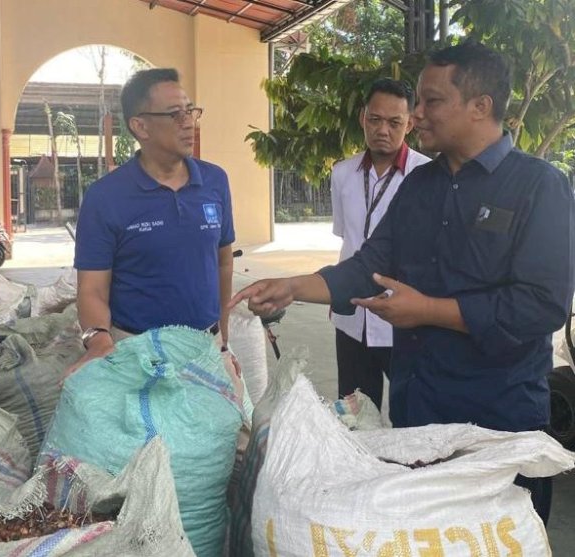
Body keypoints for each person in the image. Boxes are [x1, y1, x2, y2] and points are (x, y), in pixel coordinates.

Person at [231, 41, 575, 524]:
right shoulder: (420, 186)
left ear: (481, 107)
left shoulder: (540, 187)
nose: (416, 114)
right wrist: (294, 286)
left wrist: (428, 311)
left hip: (498, 420)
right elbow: (370, 263)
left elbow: (543, 305)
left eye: (431, 101)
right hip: (419, 412)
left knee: (500, 539)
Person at [69, 68, 238, 379]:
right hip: (136, 354)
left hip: (204, 347)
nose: (188, 122)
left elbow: (223, 263)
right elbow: (92, 288)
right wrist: (99, 342)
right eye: (174, 114)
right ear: (140, 126)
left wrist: (223, 340)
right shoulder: (106, 197)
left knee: (230, 428)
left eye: (190, 111)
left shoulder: (215, 181)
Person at [330, 78, 430, 409]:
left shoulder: (427, 176)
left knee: (412, 417)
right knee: (355, 415)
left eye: (394, 122)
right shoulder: (342, 174)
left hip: (403, 322)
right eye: (375, 119)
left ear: (410, 124)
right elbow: (348, 238)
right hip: (352, 315)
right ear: (362, 117)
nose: (382, 130)